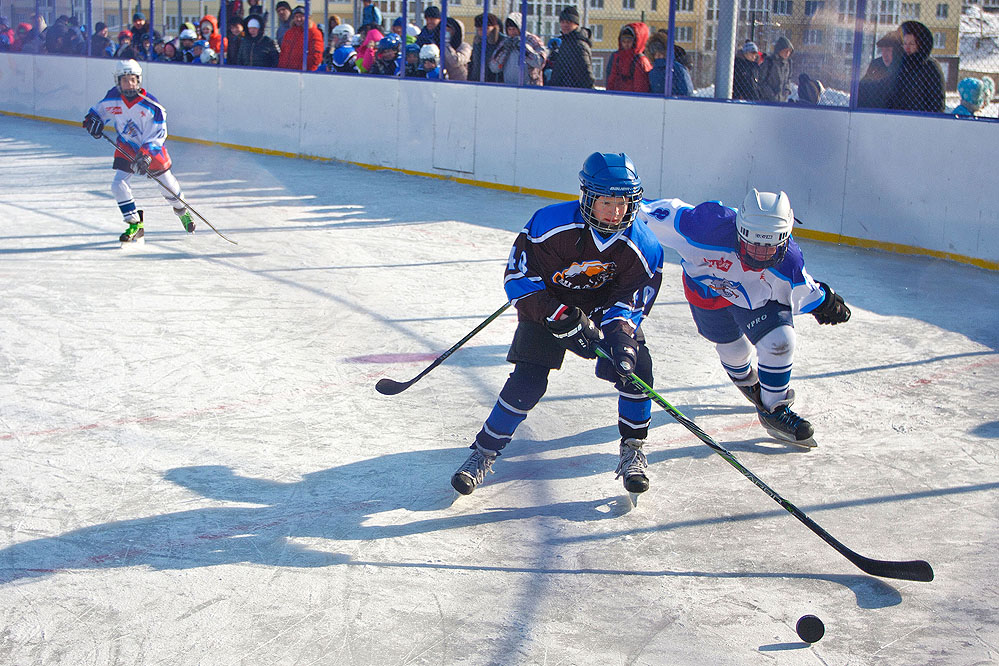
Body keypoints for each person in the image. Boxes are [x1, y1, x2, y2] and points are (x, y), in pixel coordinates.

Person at [450, 152, 664, 497]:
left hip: (601, 312)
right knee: (527, 380)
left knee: (637, 369)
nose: (615, 211)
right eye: (606, 202)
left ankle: (633, 449)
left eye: (622, 203)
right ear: (588, 198)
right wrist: (557, 314)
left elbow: (629, 301)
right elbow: (519, 276)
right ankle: (484, 452)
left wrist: (620, 338)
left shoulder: (645, 246)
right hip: (548, 308)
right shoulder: (549, 224)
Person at [638, 190, 851, 447]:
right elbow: (649, 212)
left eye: (769, 247)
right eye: (753, 245)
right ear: (738, 231)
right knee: (734, 350)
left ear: (785, 238)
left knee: (780, 341)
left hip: (757, 298)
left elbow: (804, 289)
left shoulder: (789, 262)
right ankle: (746, 381)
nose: (759, 256)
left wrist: (824, 300)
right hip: (708, 293)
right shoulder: (705, 226)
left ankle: (774, 409)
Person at [81, 60, 196, 244]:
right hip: (126, 147)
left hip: (150, 151)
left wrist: (146, 155)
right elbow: (97, 112)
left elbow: (158, 135)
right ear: (118, 81)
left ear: (139, 80)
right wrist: (92, 121)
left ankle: (182, 210)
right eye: (125, 80)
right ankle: (135, 223)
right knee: (118, 184)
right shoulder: (113, 97)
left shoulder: (151, 106)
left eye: (133, 80)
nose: (129, 84)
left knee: (167, 186)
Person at [886, 20, 945, 113]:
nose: (907, 47)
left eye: (912, 44)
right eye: (905, 43)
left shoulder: (931, 67)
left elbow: (937, 102)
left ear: (919, 45)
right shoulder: (898, 65)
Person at [488, 12, 546, 86]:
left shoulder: (532, 40)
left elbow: (540, 63)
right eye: (509, 29)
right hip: (509, 85)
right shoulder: (505, 42)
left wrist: (524, 49)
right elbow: (494, 68)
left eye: (514, 29)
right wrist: (504, 51)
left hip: (531, 86)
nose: (512, 32)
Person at [547, 6, 594, 89]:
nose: (565, 25)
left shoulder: (579, 44)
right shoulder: (561, 41)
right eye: (562, 22)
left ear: (576, 24)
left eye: (568, 22)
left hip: (574, 89)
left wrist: (588, 90)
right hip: (559, 88)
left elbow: (587, 73)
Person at [856, 30, 901, 109]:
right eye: (882, 50)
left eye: (888, 50)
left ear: (897, 51)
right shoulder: (876, 64)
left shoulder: (904, 67)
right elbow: (863, 85)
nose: (884, 54)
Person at [606, 22, 651, 92]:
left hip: (633, 98)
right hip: (618, 96)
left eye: (629, 41)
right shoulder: (617, 57)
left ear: (635, 41)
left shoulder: (640, 61)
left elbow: (641, 86)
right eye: (623, 41)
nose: (626, 44)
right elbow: (611, 80)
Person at [278, 6, 324, 71]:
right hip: (287, 72)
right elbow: (283, 53)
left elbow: (316, 56)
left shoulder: (314, 33)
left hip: (304, 73)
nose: (298, 19)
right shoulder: (289, 33)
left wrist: (302, 69)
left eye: (301, 16)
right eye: (296, 17)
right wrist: (281, 68)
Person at [469, 12, 503, 82]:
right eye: (479, 29)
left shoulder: (502, 41)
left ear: (494, 27)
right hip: (476, 80)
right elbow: (473, 62)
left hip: (496, 81)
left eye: (486, 29)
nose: (482, 32)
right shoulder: (477, 41)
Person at [758, 35, 793, 102]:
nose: (787, 53)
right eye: (785, 51)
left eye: (789, 51)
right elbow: (762, 81)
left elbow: (788, 78)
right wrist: (771, 95)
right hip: (767, 100)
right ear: (779, 50)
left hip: (782, 99)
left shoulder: (788, 63)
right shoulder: (769, 62)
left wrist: (787, 90)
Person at [441, 16, 471, 81]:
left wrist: (446, 44)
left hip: (461, 82)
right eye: (444, 30)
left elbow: (455, 61)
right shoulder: (440, 45)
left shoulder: (465, 47)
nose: (446, 33)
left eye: (448, 30)